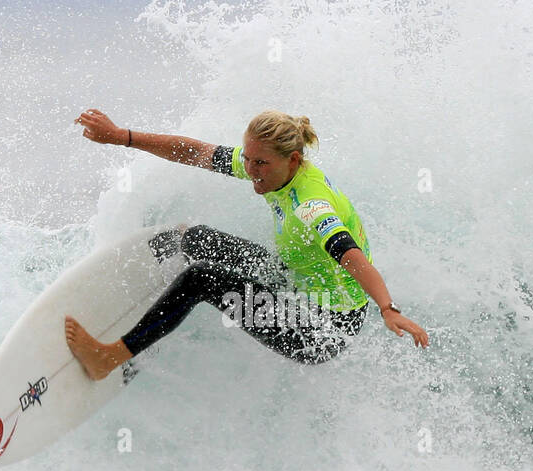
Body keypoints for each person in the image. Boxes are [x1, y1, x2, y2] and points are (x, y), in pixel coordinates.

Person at [65, 108, 429, 380]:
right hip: (294, 283)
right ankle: (152, 326)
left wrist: (388, 308)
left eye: (260, 164)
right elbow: (193, 151)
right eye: (249, 159)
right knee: (193, 239)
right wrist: (121, 136)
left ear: (293, 160)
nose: (251, 170)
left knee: (202, 279)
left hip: (321, 329)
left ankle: (110, 357)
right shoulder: (274, 166)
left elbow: (351, 256)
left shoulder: (311, 206)